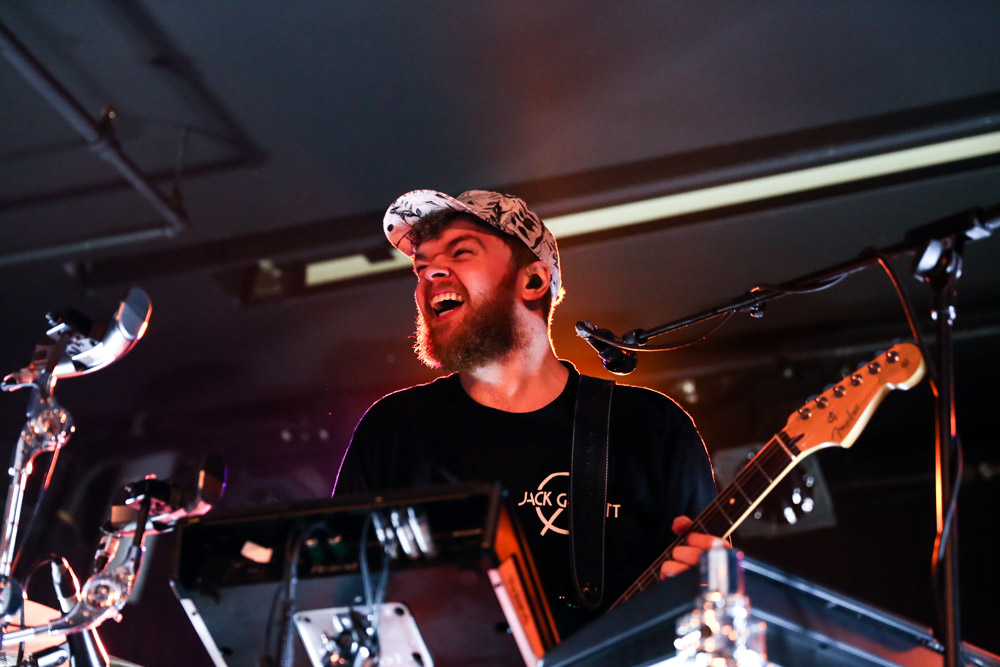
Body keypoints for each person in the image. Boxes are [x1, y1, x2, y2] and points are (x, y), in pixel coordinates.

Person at [334, 189, 718, 637]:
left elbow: (714, 613)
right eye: (421, 266)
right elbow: (335, 600)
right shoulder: (393, 429)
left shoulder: (651, 427)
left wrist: (711, 585)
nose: (430, 272)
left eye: (461, 252)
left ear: (533, 281)